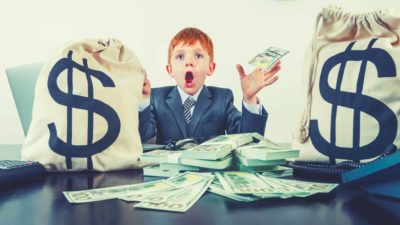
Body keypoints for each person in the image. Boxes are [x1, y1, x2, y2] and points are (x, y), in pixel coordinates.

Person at [139, 27, 281, 145]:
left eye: (198, 56)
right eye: (180, 57)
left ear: (211, 68)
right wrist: (143, 100)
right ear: (170, 70)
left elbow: (249, 141)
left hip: (210, 173)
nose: (189, 62)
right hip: (168, 173)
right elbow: (142, 136)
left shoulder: (222, 99)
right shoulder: (156, 98)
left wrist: (250, 99)